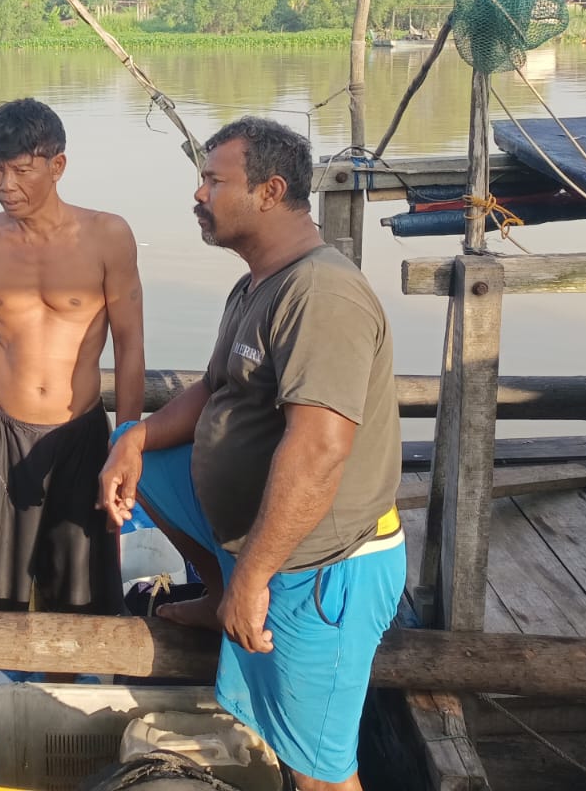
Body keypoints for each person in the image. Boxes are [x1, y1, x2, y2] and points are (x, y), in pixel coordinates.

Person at [98, 117, 403, 791]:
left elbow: (320, 448)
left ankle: (237, 590)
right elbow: (212, 390)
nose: (199, 195)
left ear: (268, 192)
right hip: (259, 543)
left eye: (213, 181)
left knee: (319, 772)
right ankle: (216, 591)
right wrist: (133, 440)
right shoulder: (258, 284)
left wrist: (253, 578)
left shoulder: (319, 293)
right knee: (153, 464)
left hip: (319, 568)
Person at [0, 96, 146, 779]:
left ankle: (59, 734)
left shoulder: (108, 236)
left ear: (58, 164)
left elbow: (129, 347)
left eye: (20, 171)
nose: (6, 186)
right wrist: (11, 398)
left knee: (80, 589)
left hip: (80, 435)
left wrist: (126, 439)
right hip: (1, 433)